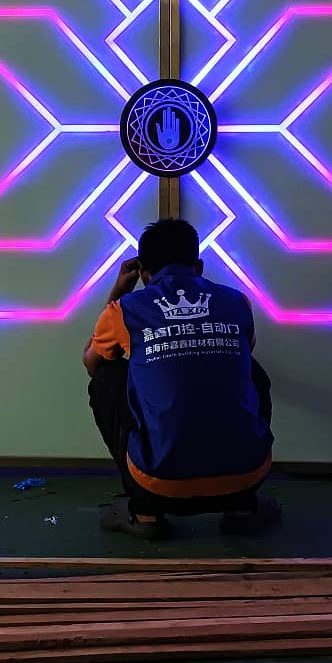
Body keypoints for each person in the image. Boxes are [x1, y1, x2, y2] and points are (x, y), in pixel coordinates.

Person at [84, 218, 278, 539]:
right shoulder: (237, 301)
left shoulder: (126, 309)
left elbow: (92, 362)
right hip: (246, 476)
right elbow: (247, 350)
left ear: (143, 272)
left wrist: (119, 292)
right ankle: (242, 508)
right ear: (198, 267)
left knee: (107, 375)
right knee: (251, 371)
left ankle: (145, 514)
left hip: (159, 484)